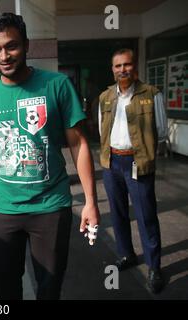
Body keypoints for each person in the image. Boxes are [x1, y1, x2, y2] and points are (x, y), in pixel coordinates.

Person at [0, 13, 100, 300]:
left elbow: (78, 145)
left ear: (26, 45)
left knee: (49, 289)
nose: (4, 55)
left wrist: (90, 201)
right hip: (3, 210)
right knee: (5, 290)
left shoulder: (57, 86)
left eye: (11, 46)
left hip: (51, 207)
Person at [98, 48, 167, 294]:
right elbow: (101, 132)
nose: (122, 69)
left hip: (137, 162)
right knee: (117, 214)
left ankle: (154, 266)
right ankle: (126, 255)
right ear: (112, 69)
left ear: (134, 66)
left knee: (146, 215)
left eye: (126, 65)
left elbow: (161, 129)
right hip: (112, 162)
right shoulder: (105, 97)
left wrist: (145, 152)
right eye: (117, 66)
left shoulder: (151, 94)